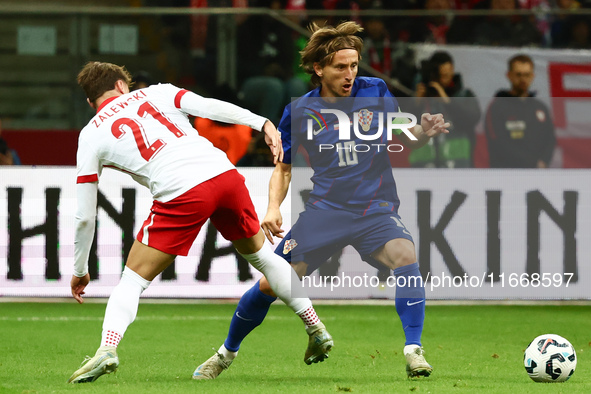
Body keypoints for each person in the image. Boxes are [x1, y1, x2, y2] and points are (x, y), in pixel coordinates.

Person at [195, 21, 450, 379]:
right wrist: (271, 208)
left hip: (374, 209)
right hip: (325, 212)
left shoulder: (374, 90)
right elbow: (283, 169)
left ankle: (414, 351)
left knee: (406, 257)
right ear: (319, 69)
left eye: (354, 65)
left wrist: (425, 131)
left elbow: (403, 139)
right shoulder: (299, 112)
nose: (350, 74)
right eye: (340, 67)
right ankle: (224, 355)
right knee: (271, 283)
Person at [67, 61, 333, 383]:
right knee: (263, 258)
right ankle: (314, 326)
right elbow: (211, 108)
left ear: (90, 101)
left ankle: (107, 349)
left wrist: (81, 270)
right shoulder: (158, 92)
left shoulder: (90, 135)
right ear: (124, 85)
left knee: (133, 281)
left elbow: (84, 215)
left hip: (181, 192)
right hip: (225, 177)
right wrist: (261, 122)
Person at [410, 51, 481, 168]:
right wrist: (417, 102)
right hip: (424, 167)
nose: (444, 80)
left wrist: (448, 102)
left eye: (447, 75)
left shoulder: (463, 95)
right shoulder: (421, 97)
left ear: (453, 70)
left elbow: (472, 119)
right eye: (440, 76)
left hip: (458, 165)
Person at [485, 54, 556, 168]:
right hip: (506, 173)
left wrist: (543, 161)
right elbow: (497, 142)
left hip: (537, 173)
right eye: (518, 75)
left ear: (532, 76)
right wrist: (532, 162)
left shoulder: (540, 107)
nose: (523, 79)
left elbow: (550, 139)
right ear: (509, 75)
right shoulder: (497, 106)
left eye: (527, 75)